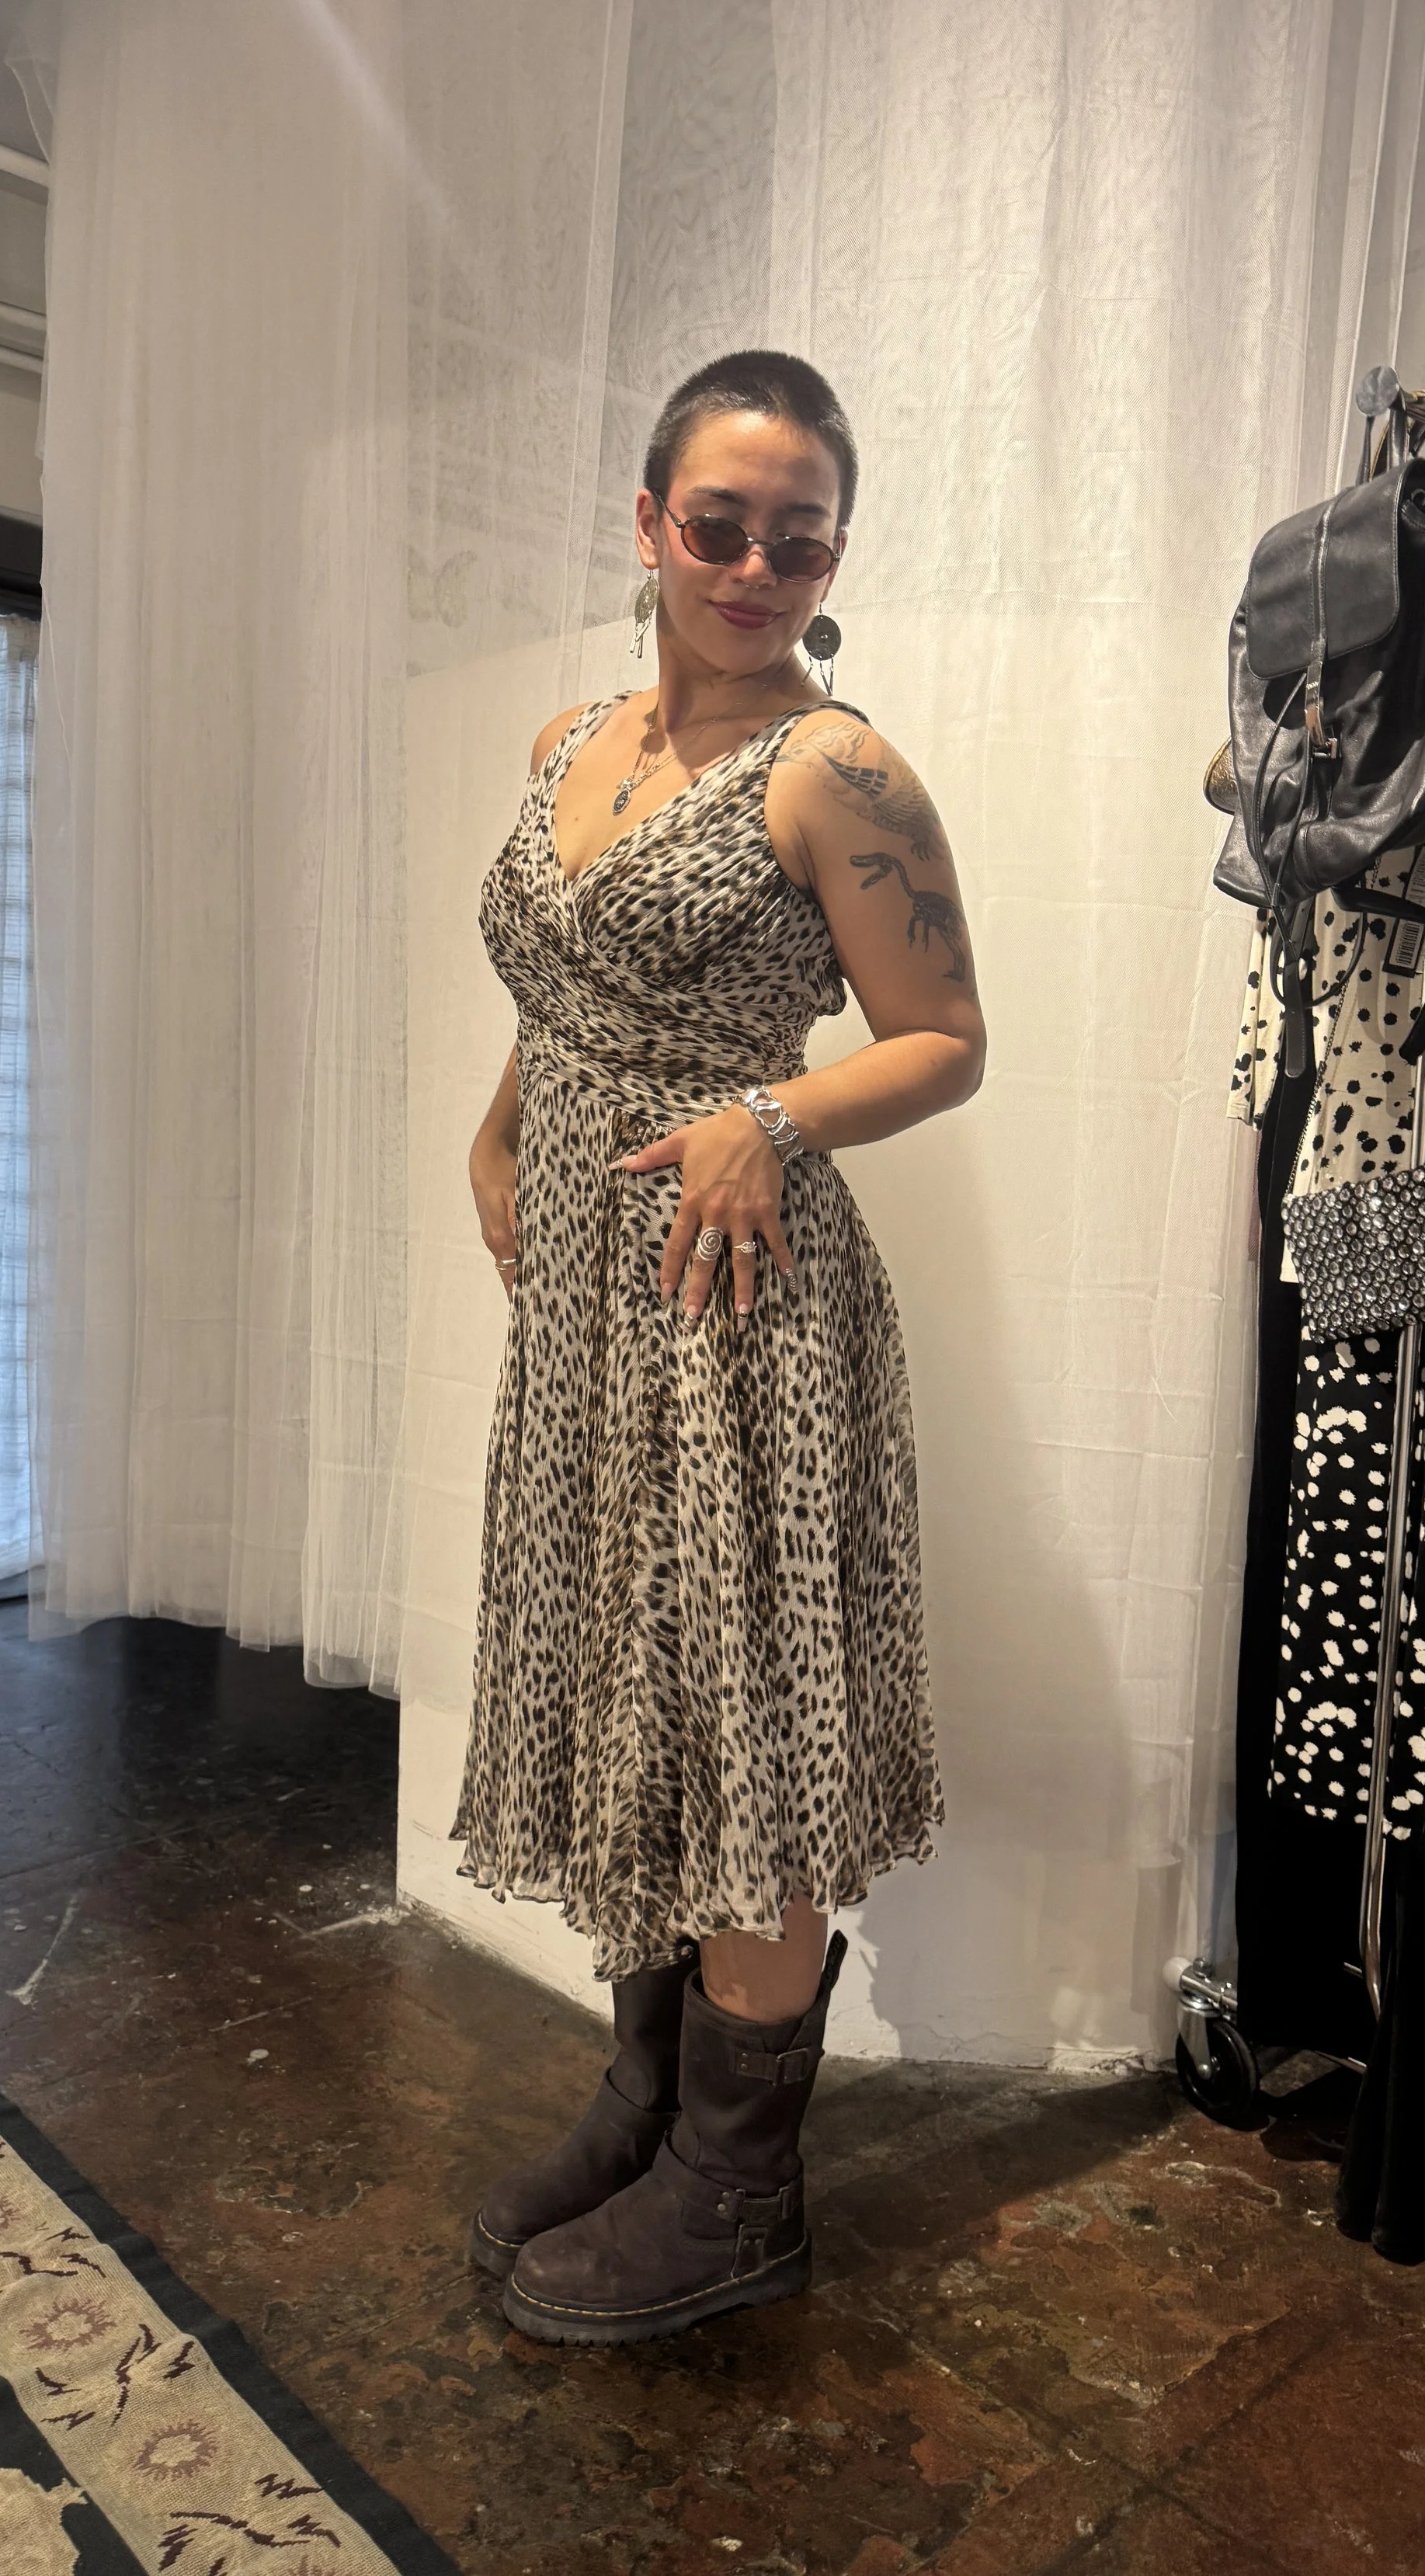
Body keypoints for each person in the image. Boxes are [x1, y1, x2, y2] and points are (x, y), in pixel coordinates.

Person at [458, 351, 985, 2345]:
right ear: (648, 520)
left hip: (730, 1300)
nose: (756, 561)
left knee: (743, 1701)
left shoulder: (832, 769)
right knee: (640, 1682)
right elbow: (562, 976)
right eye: (719, 522)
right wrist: (505, 1122)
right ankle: (649, 2099)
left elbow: (945, 1040)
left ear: (831, 551)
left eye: (800, 534)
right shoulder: (568, 735)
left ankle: (739, 2189)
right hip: (588, 1307)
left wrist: (773, 1118)